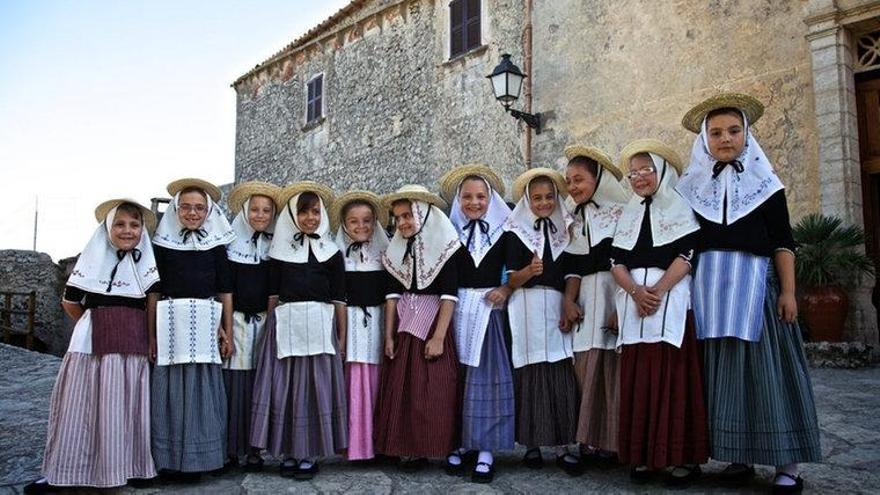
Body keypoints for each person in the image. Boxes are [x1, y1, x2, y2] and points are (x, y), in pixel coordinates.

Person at [677, 93, 821, 494]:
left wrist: (788, 291)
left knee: (767, 376)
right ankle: (737, 455)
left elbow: (783, 242)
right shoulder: (689, 188)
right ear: (705, 139)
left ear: (746, 134)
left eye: (734, 131)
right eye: (717, 132)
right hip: (708, 295)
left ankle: (786, 464)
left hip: (756, 290)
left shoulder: (767, 185)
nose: (726, 139)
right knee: (721, 378)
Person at [25, 199, 159, 493]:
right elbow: (70, 302)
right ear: (107, 229)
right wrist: (93, 320)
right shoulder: (92, 260)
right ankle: (66, 471)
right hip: (93, 343)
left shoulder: (146, 265)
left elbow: (150, 305)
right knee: (81, 406)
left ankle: (126, 468)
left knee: (124, 407)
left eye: (134, 225)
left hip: (131, 342)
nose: (128, 230)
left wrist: (149, 338)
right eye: (120, 224)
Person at [610, 139, 708, 487]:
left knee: (673, 381)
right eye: (633, 172)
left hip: (671, 300)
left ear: (661, 171)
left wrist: (658, 291)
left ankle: (680, 457)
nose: (638, 178)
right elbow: (616, 261)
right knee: (639, 380)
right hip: (635, 303)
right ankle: (644, 456)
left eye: (645, 170)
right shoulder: (629, 211)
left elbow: (687, 255)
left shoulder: (679, 207)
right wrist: (636, 291)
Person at [249, 181, 348, 480]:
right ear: (293, 215)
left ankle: (310, 454)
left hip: (320, 324)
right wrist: (269, 329)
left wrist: (341, 336)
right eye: (303, 212)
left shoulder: (331, 253)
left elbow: (339, 298)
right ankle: (289, 452)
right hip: (286, 326)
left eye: (315, 212)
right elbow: (273, 295)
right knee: (286, 391)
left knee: (314, 390)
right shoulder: (279, 252)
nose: (310, 218)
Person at [149, 178, 235, 481]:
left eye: (199, 207)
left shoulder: (215, 245)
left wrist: (227, 331)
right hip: (171, 321)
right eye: (186, 206)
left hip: (205, 322)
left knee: (203, 392)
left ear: (208, 211)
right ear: (176, 209)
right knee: (168, 395)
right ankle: (169, 461)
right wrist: (152, 334)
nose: (193, 212)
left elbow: (225, 290)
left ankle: (202, 460)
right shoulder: (161, 244)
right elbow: (154, 291)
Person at [373, 185, 461, 472]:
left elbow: (449, 295)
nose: (402, 223)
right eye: (397, 218)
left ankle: (435, 445)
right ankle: (406, 449)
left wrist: (438, 337)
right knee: (403, 389)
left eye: (407, 215)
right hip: (404, 326)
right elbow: (391, 295)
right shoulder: (397, 247)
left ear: (423, 214)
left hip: (434, 323)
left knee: (434, 388)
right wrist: (388, 335)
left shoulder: (445, 246)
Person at [502, 168, 581, 475]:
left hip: (556, 302)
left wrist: (568, 301)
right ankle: (532, 445)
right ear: (527, 200)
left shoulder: (567, 227)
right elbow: (510, 279)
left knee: (560, 367)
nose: (544, 202)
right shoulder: (515, 230)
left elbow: (573, 270)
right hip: (525, 304)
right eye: (537, 198)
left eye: (549, 197)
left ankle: (563, 446)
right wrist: (528, 272)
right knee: (530, 370)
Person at [439, 164, 515, 483]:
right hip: (458, 311)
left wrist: (505, 288)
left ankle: (486, 449)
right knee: (459, 380)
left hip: (489, 313)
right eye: (467, 197)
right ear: (459, 200)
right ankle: (461, 441)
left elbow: (515, 269)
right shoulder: (451, 234)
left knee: (487, 381)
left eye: (480, 197)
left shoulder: (504, 232)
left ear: (490, 199)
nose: (474, 203)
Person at [561, 145, 629, 467]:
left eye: (579, 180)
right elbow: (573, 266)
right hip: (587, 299)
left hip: (614, 293)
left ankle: (613, 444)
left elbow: (627, 261)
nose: (573, 187)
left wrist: (622, 306)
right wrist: (568, 300)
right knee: (584, 368)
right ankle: (587, 441)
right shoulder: (574, 218)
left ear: (597, 179)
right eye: (569, 182)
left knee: (611, 371)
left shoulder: (621, 213)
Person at [222, 181, 280, 471]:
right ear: (245, 212)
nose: (260, 215)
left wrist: (270, 326)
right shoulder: (231, 244)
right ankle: (233, 450)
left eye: (266, 210)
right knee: (236, 388)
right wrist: (229, 332)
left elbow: (274, 291)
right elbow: (227, 291)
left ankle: (256, 450)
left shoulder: (276, 245)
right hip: (237, 323)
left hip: (264, 322)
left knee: (261, 386)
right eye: (255, 209)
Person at [331, 190, 390, 462]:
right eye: (353, 221)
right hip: (352, 323)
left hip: (377, 322)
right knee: (353, 383)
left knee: (378, 383)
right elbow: (338, 297)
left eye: (367, 220)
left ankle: (379, 445)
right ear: (344, 224)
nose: (361, 226)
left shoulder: (385, 253)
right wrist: (341, 336)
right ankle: (355, 446)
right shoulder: (336, 255)